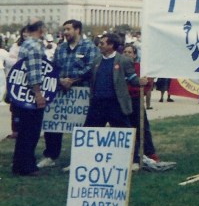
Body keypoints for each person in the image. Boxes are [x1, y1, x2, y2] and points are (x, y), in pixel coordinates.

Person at [37, 19, 98, 168]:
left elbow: (92, 67)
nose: (65, 32)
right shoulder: (61, 48)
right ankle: (51, 155)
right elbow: (54, 67)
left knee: (82, 126)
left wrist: (73, 80)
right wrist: (60, 80)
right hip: (61, 92)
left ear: (77, 30)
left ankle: (80, 159)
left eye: (68, 29)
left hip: (81, 92)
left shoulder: (89, 47)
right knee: (54, 125)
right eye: (64, 29)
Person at [11, 21, 48, 176]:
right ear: (40, 30)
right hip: (31, 94)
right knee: (31, 132)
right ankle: (27, 166)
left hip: (22, 95)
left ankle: (19, 164)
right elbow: (34, 73)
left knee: (24, 132)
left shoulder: (25, 44)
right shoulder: (35, 47)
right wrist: (38, 94)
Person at [84, 32, 141, 131]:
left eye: (102, 43)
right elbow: (88, 76)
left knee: (123, 133)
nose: (99, 45)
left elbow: (133, 79)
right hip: (97, 105)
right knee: (89, 132)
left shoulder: (123, 61)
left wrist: (142, 81)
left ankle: (134, 147)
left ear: (111, 45)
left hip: (116, 105)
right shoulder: (96, 61)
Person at [123, 43, 159, 164]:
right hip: (123, 101)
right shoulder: (119, 67)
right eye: (125, 52)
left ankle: (149, 152)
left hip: (135, 99)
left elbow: (147, 84)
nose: (127, 54)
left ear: (134, 55)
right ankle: (129, 152)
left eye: (130, 52)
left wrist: (137, 89)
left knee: (142, 127)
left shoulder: (139, 67)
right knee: (126, 126)